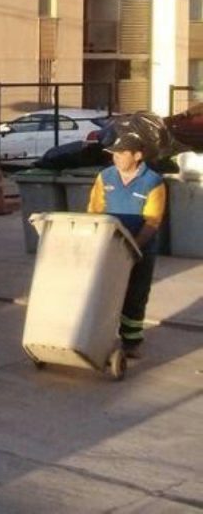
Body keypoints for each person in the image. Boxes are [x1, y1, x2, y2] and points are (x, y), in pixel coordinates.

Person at [87, 133, 166, 358]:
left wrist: (134, 247)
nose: (116, 158)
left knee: (135, 294)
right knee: (104, 292)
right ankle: (98, 336)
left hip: (140, 249)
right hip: (109, 246)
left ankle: (131, 341)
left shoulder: (153, 182)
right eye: (114, 154)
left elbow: (153, 221)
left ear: (137, 155)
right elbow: (94, 210)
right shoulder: (106, 177)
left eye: (122, 153)